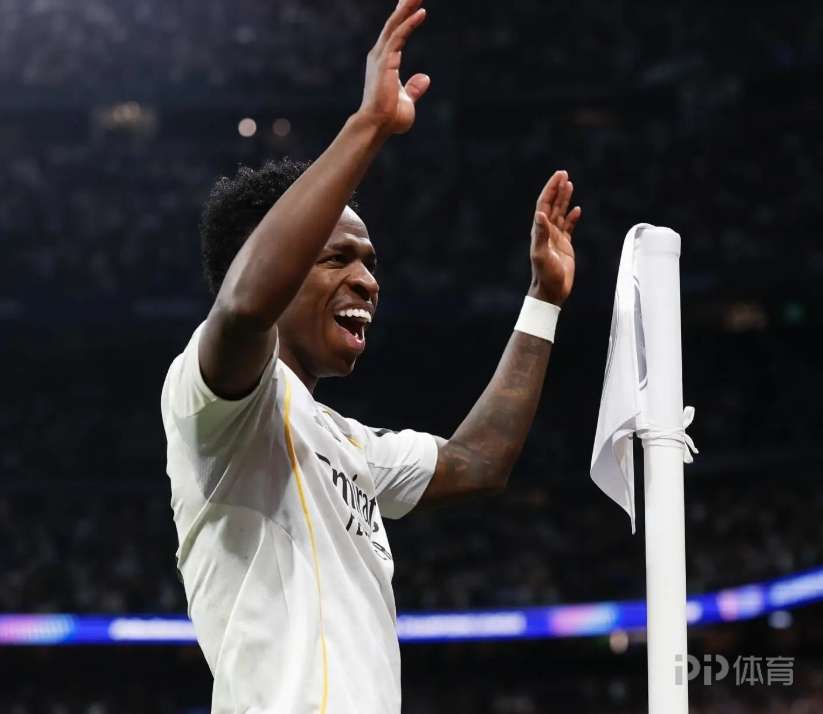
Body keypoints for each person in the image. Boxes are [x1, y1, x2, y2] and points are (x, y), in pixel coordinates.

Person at [160, 0, 581, 711]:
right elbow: (244, 306)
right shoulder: (207, 399)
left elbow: (477, 462)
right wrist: (369, 126)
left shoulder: (348, 445)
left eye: (370, 263)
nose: (367, 281)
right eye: (337, 258)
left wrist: (543, 300)